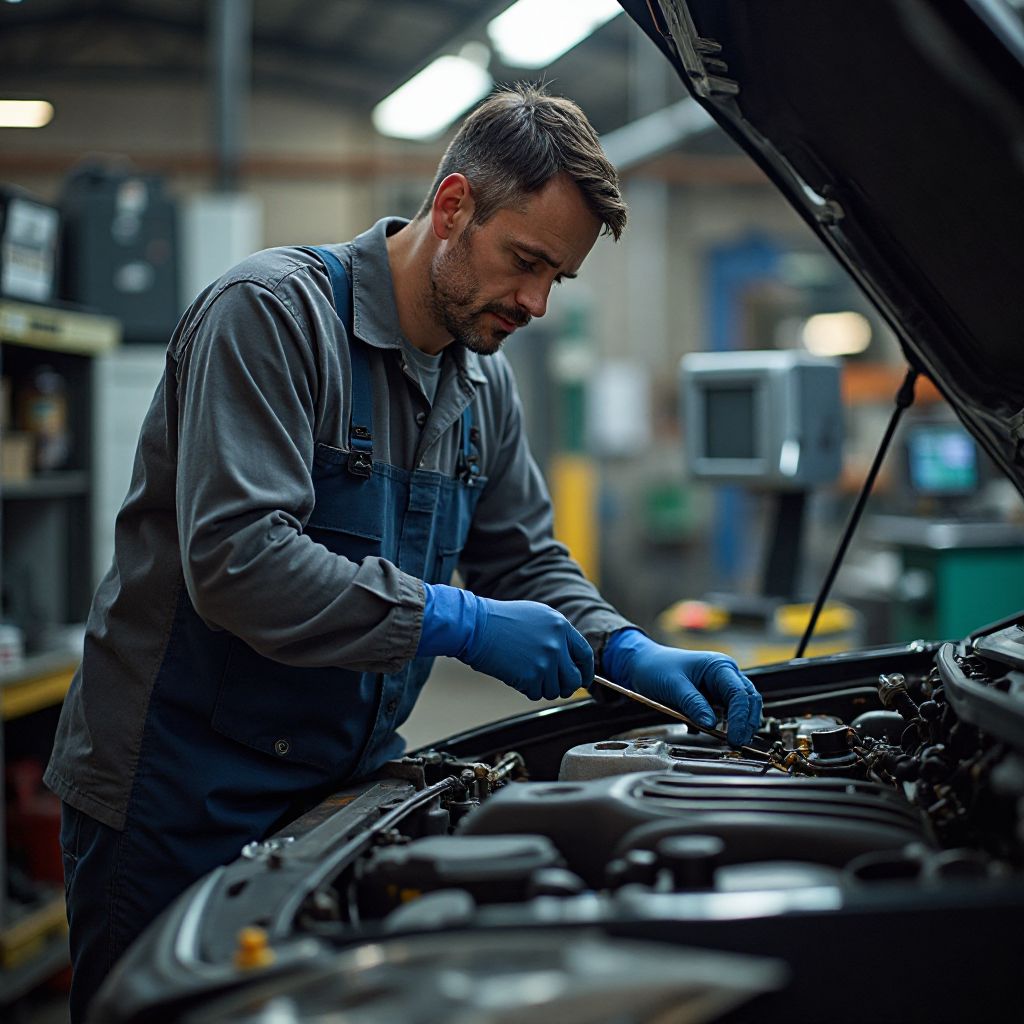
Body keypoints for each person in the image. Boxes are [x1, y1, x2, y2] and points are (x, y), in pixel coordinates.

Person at [45, 83, 762, 1021]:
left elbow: (524, 560)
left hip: (340, 788)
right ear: (454, 206)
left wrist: (620, 647)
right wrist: (455, 620)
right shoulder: (271, 316)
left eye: (560, 279)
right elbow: (239, 563)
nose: (538, 303)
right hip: (177, 792)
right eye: (526, 262)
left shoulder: (480, 385)